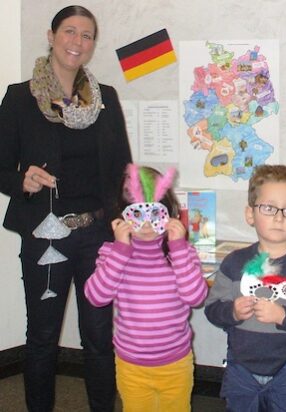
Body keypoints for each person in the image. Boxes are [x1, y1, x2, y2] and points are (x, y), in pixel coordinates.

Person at [0, 5, 132, 411]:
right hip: (45, 235)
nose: (78, 42)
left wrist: (129, 226)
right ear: (52, 35)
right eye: (70, 32)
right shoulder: (21, 97)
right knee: (41, 338)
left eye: (87, 35)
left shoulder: (105, 98)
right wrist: (20, 179)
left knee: (97, 337)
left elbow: (122, 170)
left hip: (96, 235)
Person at [204, 164, 286, 411]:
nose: (279, 217)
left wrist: (283, 316)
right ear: (250, 214)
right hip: (242, 375)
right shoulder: (234, 263)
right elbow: (212, 310)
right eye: (269, 208)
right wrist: (232, 312)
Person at [85, 164, 207, 411]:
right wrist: (120, 250)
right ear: (122, 214)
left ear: (169, 210)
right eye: (138, 214)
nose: (148, 224)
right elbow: (96, 297)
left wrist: (179, 249)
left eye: (155, 213)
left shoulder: (181, 253)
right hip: (131, 365)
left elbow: (195, 297)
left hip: (176, 363)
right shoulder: (112, 253)